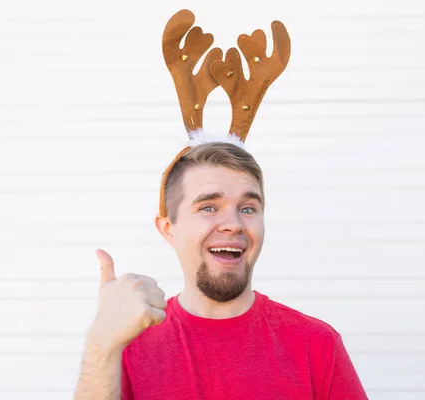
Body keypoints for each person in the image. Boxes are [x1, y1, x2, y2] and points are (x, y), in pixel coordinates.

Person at [73, 9, 368, 400]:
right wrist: (101, 346)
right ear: (168, 228)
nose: (233, 223)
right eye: (208, 207)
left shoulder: (318, 345)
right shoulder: (125, 347)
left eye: (248, 208)